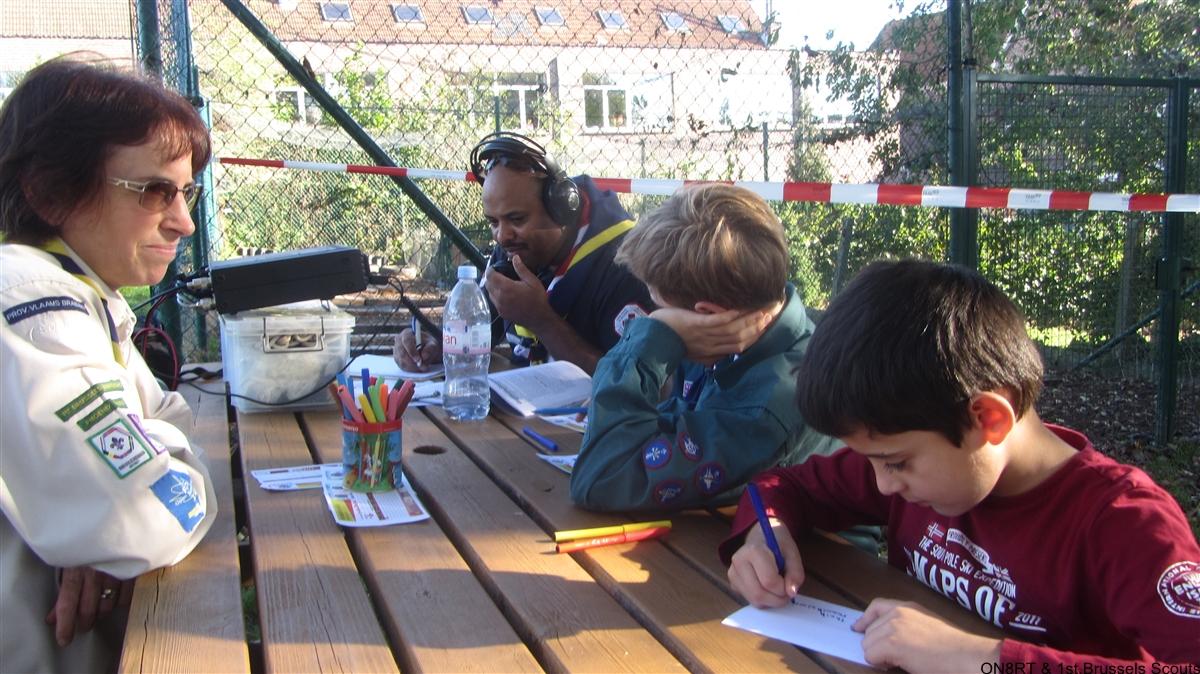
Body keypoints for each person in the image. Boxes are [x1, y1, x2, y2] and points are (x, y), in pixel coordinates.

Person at [721, 259, 1200, 669]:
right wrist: (768, 533)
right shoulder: (920, 465)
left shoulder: (1124, 524)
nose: (883, 486)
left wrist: (979, 658)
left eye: (896, 462)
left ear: (988, 418)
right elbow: (781, 486)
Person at [0, 55, 218, 672]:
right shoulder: (28, 300)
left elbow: (172, 421)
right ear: (51, 191)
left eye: (186, 192)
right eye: (154, 191)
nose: (183, 221)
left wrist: (97, 511)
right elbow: (147, 511)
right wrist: (110, 507)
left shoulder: (86, 294)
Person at [570, 184, 841, 511]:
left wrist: (653, 339)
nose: (658, 318)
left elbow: (601, 480)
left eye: (662, 311)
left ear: (707, 315)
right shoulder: (732, 337)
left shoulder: (770, 405)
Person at [394, 132, 654, 375]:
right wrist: (436, 343)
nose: (502, 236)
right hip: (523, 414)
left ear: (562, 208)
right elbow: (477, 331)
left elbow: (632, 383)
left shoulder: (627, 262)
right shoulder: (513, 250)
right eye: (493, 222)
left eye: (516, 218)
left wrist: (542, 320)